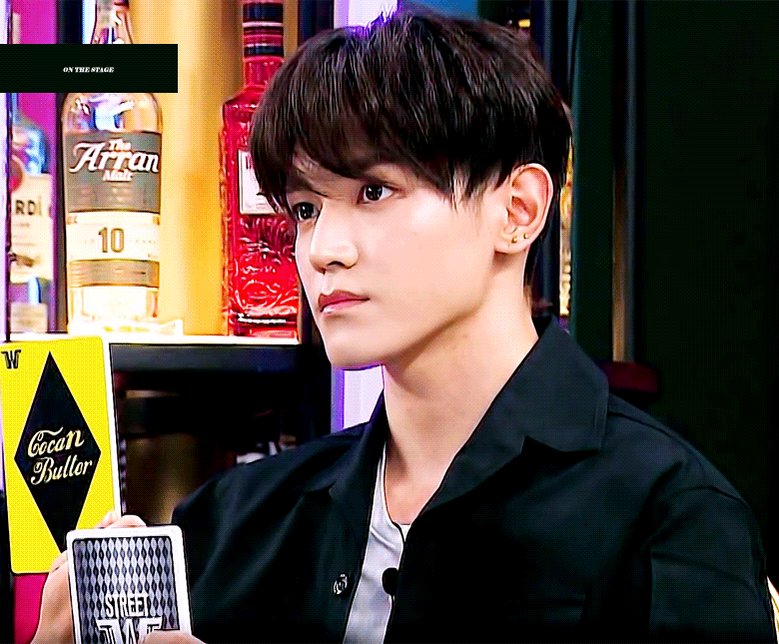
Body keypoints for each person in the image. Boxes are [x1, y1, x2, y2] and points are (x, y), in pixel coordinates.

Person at [30, 8, 775, 643]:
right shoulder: (232, 524)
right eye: (305, 209)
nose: (322, 250)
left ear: (517, 210)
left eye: (374, 192)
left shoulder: (667, 516)